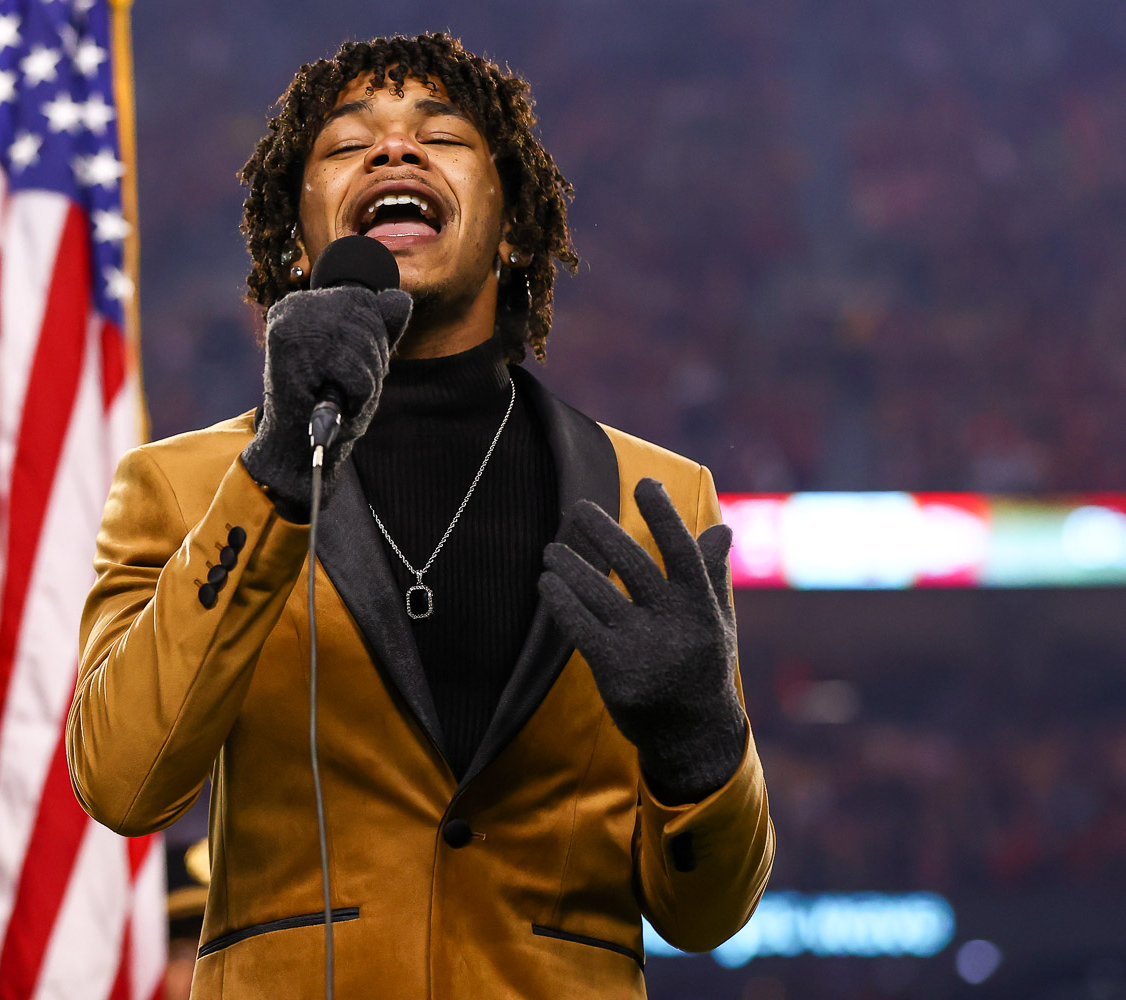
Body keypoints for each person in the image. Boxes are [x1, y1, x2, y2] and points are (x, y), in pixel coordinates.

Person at [67, 33, 773, 998]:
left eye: (440, 137)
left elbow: (707, 913)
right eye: (347, 143)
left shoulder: (660, 496)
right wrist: (274, 474)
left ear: (515, 225)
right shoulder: (184, 488)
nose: (394, 153)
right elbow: (122, 782)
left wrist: (700, 744)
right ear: (296, 238)